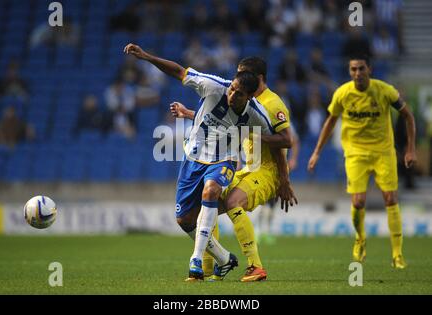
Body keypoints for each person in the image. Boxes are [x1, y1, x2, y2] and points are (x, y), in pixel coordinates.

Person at [124, 43, 292, 281]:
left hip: (231, 161)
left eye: (239, 90)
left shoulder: (265, 108)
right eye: (233, 84)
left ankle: (224, 264)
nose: (232, 93)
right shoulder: (214, 87)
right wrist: (146, 57)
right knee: (187, 218)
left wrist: (283, 178)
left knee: (216, 195)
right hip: (194, 158)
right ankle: (223, 260)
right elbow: (181, 74)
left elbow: (284, 140)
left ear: (254, 87)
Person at [170, 57, 298, 282]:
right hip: (249, 167)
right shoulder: (237, 98)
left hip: (267, 171)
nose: (236, 79)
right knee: (206, 201)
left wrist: (284, 180)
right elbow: (221, 122)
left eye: (243, 74)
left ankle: (255, 266)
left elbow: (283, 143)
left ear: (257, 79)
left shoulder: (271, 104)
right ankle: (212, 266)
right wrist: (189, 113)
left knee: (231, 202)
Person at [308, 54, 417, 269]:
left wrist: (411, 148)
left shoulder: (385, 90)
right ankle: (360, 240)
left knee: (391, 199)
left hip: (383, 151)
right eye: (353, 69)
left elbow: (408, 116)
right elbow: (330, 121)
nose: (357, 73)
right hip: (355, 153)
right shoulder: (342, 93)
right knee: (358, 202)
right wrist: (317, 152)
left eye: (361, 69)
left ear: (370, 69)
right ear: (349, 71)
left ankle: (397, 253)